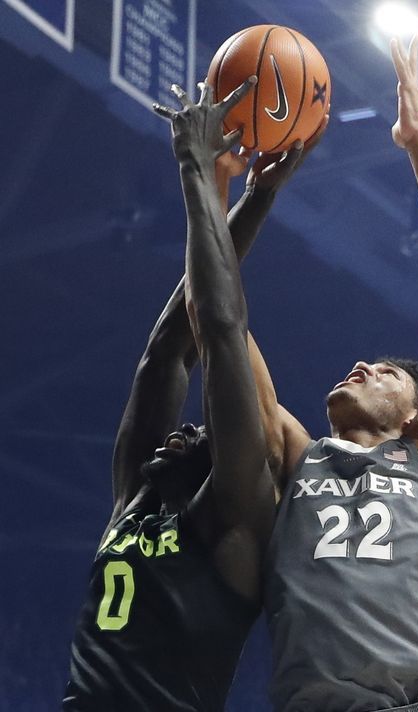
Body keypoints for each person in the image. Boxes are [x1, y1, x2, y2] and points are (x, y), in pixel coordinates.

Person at [63, 76, 321, 711]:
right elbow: (167, 352)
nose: (184, 429)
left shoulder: (235, 520)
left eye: (201, 431)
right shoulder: (137, 496)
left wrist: (195, 171)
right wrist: (256, 195)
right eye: (195, 429)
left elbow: (222, 330)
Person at [248, 35, 418, 712]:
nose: (361, 367)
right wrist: (219, 194)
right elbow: (220, 323)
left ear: (416, 416)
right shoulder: (297, 457)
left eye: (384, 373)